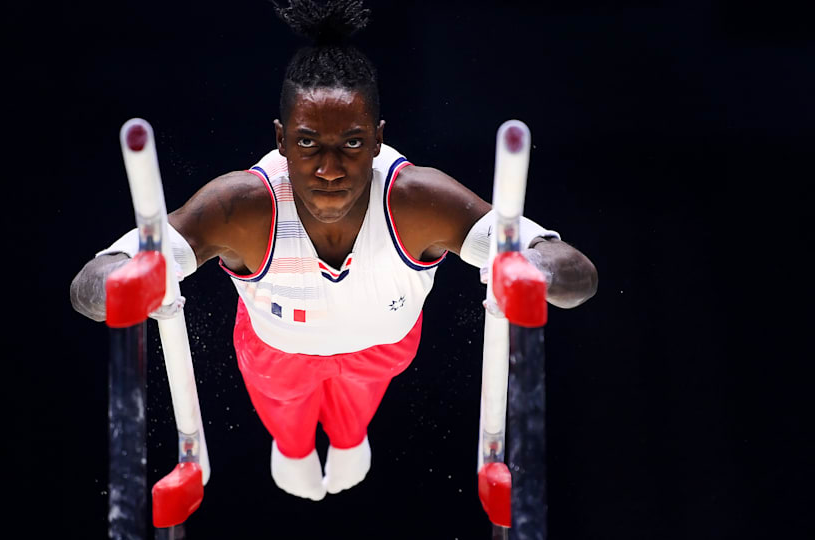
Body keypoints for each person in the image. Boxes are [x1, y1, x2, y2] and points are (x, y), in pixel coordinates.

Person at [71, 0, 597, 502]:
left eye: (350, 143)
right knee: (291, 426)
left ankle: (347, 439)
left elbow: (577, 273)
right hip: (277, 354)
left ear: (376, 139)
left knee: (353, 418)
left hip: (381, 351)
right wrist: (126, 283)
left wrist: (533, 268)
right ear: (279, 140)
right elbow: (90, 284)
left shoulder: (418, 200)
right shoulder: (243, 206)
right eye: (306, 144)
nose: (328, 167)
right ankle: (294, 445)